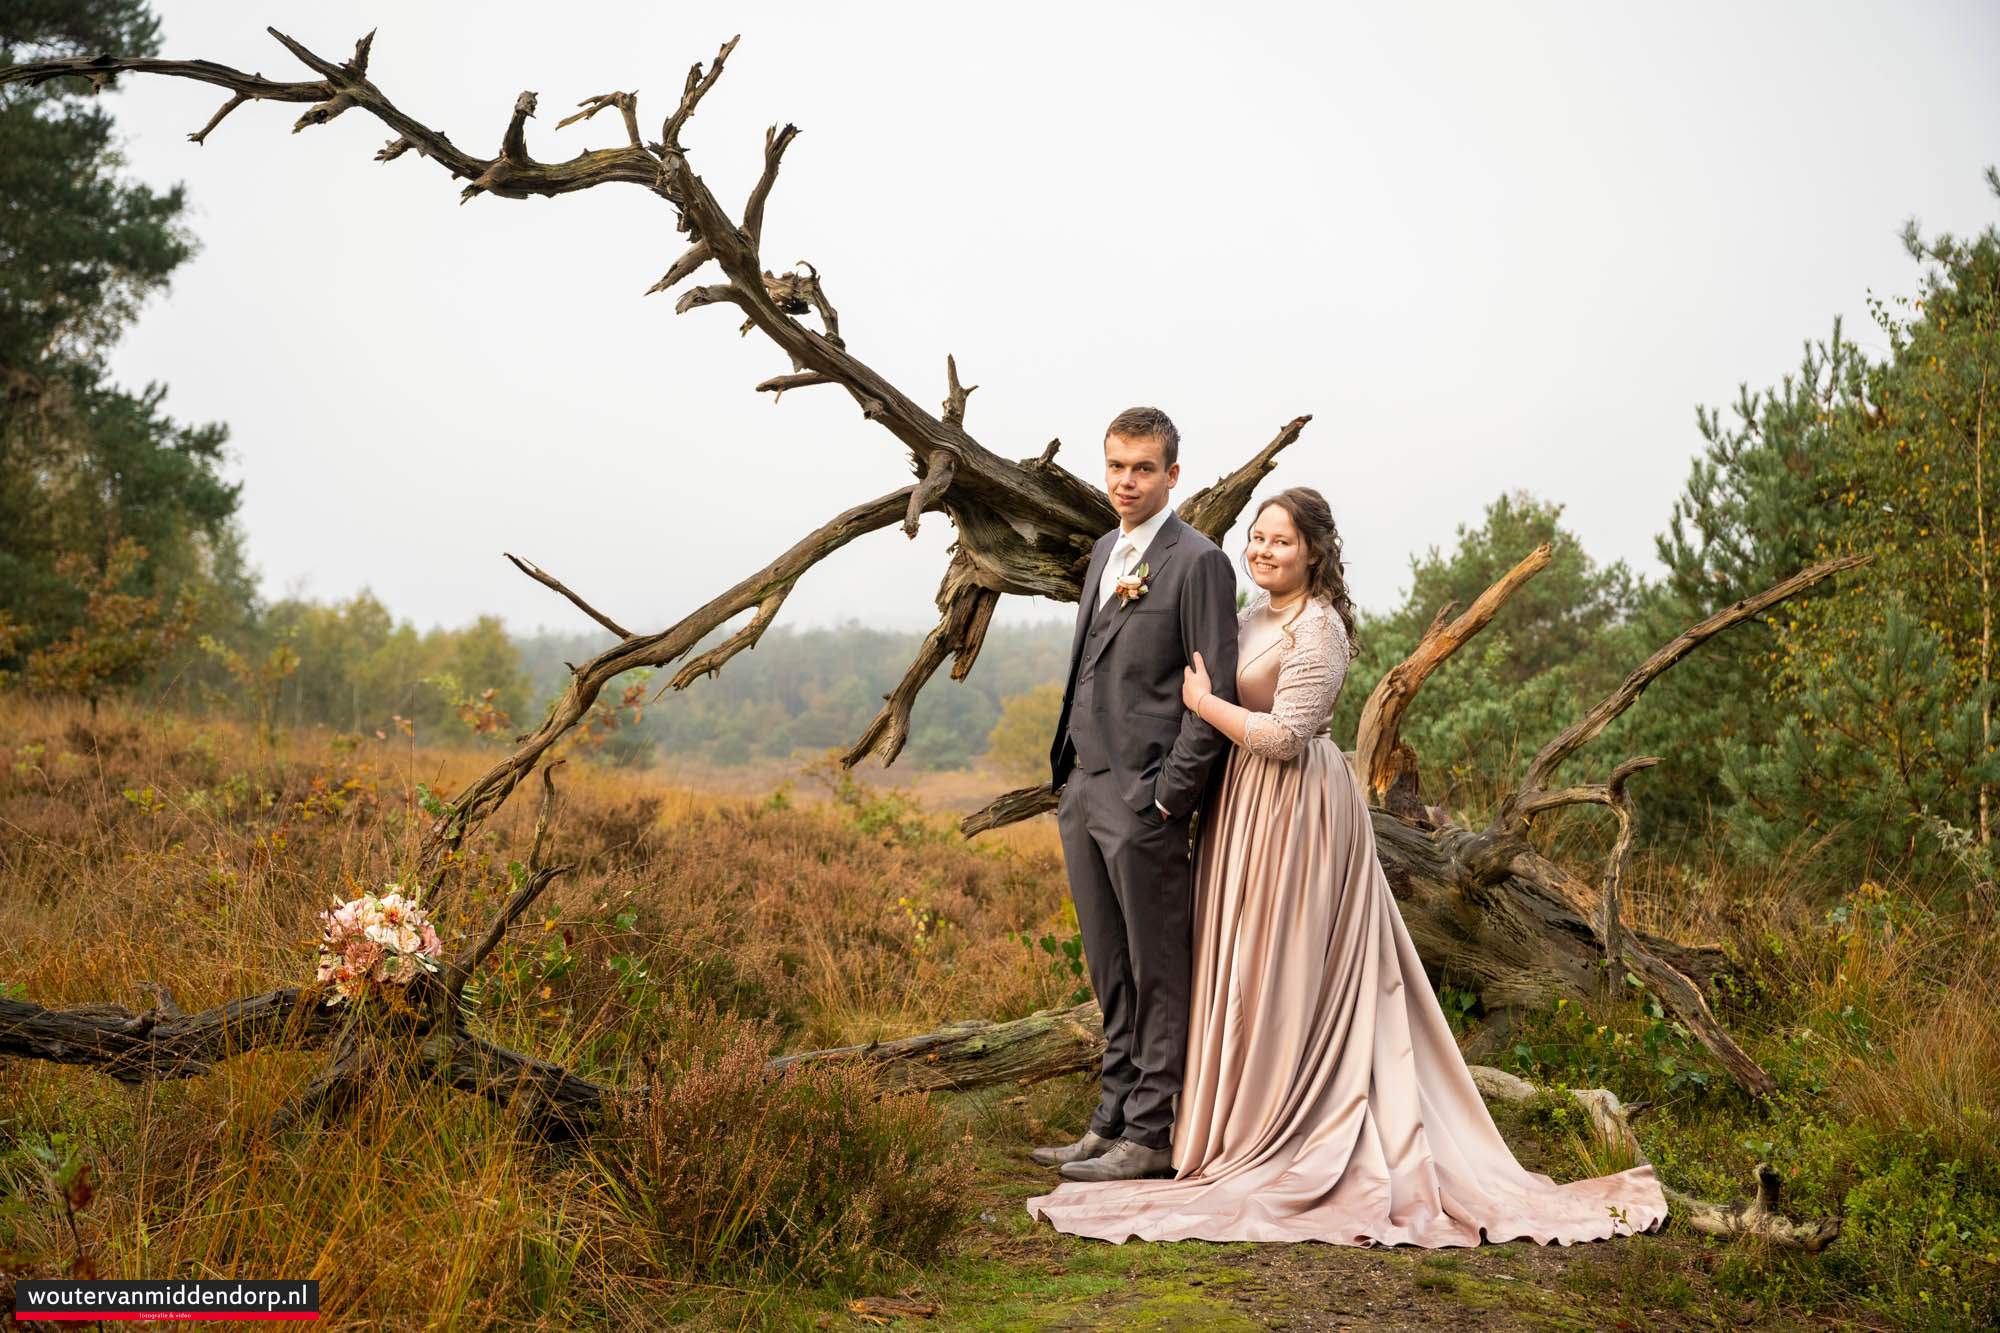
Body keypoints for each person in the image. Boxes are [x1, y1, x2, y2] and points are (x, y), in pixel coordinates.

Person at [1027, 487, 1669, 1244]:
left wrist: (1203, 706)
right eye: (1258, 538)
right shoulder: (1250, 616)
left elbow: (1286, 737)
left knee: (1286, 960)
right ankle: (1224, 1116)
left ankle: (1294, 1116)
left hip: (1295, 807)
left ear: (1314, 552)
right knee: (1241, 962)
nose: (1263, 551)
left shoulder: (1321, 627)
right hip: (1239, 804)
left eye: (1281, 541)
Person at [1029, 406, 1240, 1184]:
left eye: (1143, 467)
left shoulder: (1199, 562)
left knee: (1157, 969)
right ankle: (1110, 1118)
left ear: (1173, 474)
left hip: (1143, 797)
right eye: (1116, 465)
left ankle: (1152, 1131)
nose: (1126, 480)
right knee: (1109, 964)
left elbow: (1212, 694)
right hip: (1082, 786)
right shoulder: (1102, 550)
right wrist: (1068, 774)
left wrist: (1167, 797)